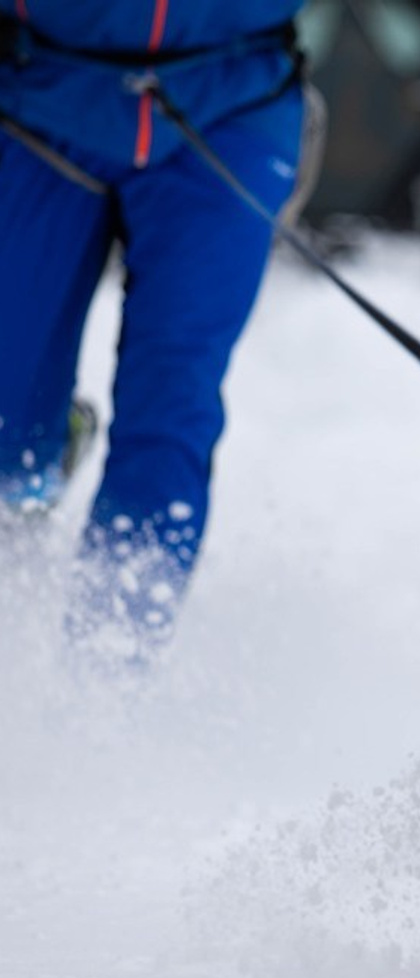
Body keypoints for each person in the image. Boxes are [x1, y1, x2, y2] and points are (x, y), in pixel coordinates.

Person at [0, 2, 306, 666]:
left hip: (231, 101)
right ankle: (36, 457)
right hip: (38, 90)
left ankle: (107, 677)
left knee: (172, 402)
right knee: (7, 427)